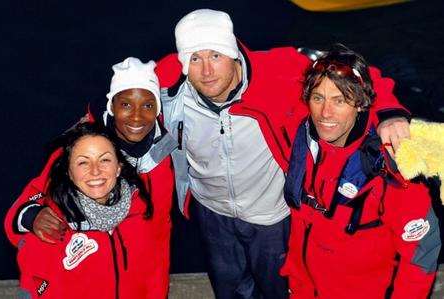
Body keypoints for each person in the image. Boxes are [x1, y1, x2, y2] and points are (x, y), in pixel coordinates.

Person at [154, 8, 412, 298]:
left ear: (233, 52)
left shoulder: (279, 70)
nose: (206, 70)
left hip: (272, 215)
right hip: (211, 212)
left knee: (278, 290)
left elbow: (355, 74)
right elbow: (126, 98)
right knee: (229, 289)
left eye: (216, 55)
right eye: (195, 58)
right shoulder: (168, 81)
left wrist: (389, 113)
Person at [5, 58, 177, 298]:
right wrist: (32, 216)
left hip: (142, 282)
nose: (136, 117)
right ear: (111, 106)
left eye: (148, 106)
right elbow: (24, 205)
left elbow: (159, 231)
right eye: (126, 104)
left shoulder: (162, 149)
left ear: (157, 108)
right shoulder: (82, 147)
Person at [281, 45, 440, 298]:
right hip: (304, 289)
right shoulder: (300, 134)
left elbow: (423, 251)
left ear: (360, 104)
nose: (325, 113)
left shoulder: (392, 166)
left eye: (340, 101)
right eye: (318, 98)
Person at [16, 122, 162, 298]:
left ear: (118, 167)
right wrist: (31, 216)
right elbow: (35, 286)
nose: (95, 171)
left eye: (105, 160)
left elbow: (151, 275)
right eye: (83, 162)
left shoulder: (140, 211)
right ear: (69, 172)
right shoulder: (53, 224)